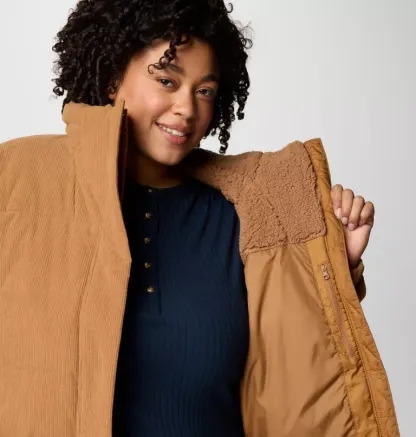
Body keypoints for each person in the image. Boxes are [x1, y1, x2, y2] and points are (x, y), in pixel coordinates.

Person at [0, 0, 399, 436]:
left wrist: (331, 266)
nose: (187, 108)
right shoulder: (20, 183)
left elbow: (294, 380)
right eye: (167, 81)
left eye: (204, 91)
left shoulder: (248, 217)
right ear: (113, 78)